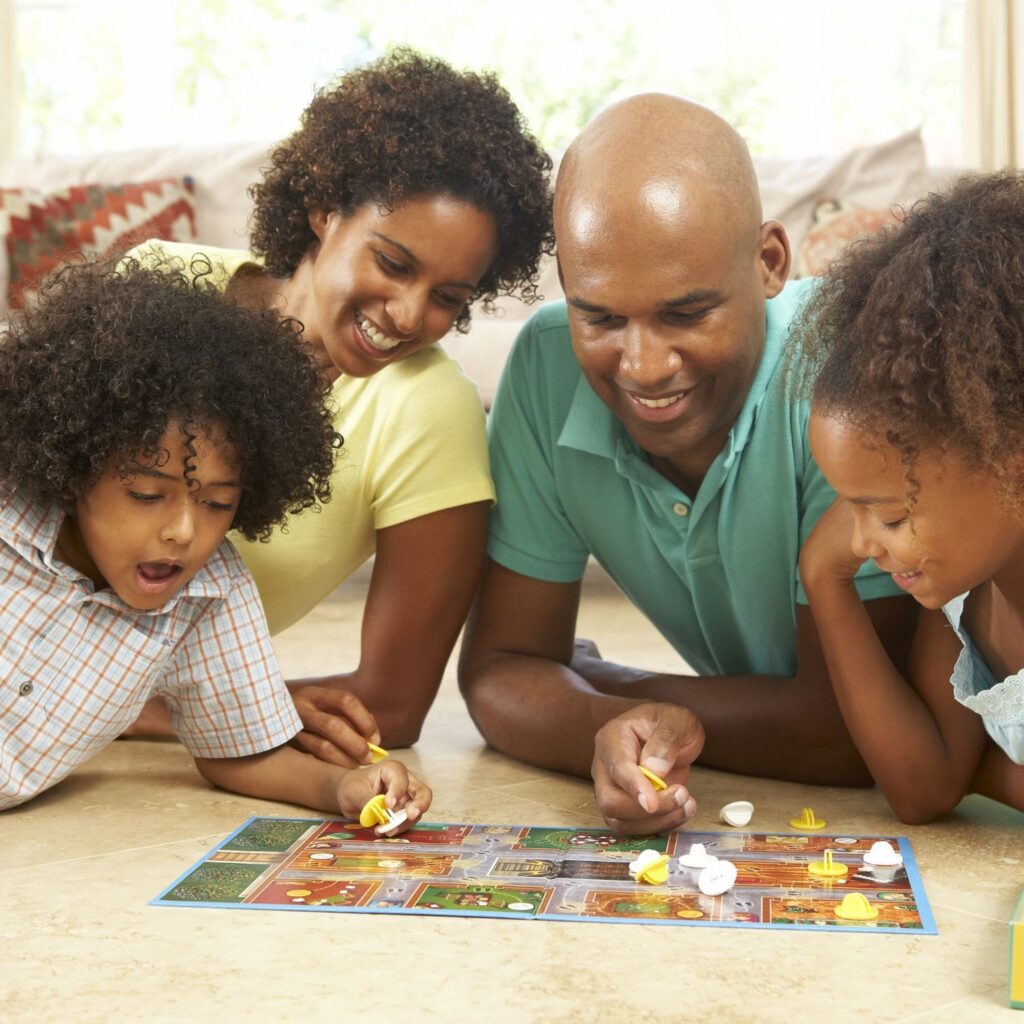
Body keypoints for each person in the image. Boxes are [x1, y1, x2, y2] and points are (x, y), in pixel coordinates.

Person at [458, 94, 917, 834]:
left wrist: (608, 683)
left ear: (770, 263)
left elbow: (856, 731)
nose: (641, 366)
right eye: (600, 316)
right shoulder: (545, 367)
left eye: (686, 313)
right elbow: (498, 673)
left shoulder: (844, 378)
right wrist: (602, 729)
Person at [128, 48, 554, 763]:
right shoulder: (158, 285)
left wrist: (224, 707)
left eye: (450, 297)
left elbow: (391, 703)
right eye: (393, 263)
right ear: (325, 209)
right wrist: (244, 707)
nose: (411, 314)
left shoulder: (427, 410)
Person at [0, 258, 430, 826]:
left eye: (216, 504)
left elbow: (241, 752)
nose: (183, 531)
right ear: (74, 469)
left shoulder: (212, 597)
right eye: (148, 495)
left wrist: (344, 788)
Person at [796, 172, 1024, 822]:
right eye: (852, 507)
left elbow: (951, 778)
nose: (864, 542)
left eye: (892, 513)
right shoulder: (964, 595)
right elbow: (923, 790)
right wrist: (822, 574)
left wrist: (981, 770)